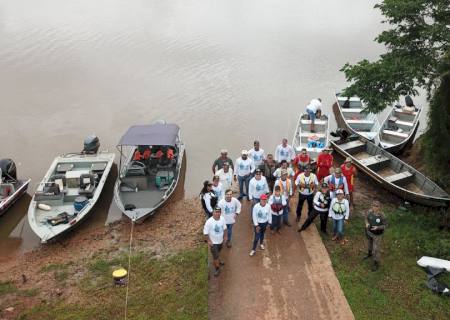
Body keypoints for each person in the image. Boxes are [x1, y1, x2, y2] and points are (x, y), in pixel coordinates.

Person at [363, 201, 386, 271]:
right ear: (371, 206)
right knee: (369, 243)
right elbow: (366, 219)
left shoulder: (382, 215)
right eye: (373, 206)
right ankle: (369, 254)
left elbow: (385, 225)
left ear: (379, 207)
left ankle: (376, 262)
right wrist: (366, 223)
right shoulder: (369, 212)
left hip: (377, 234)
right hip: (370, 232)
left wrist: (378, 227)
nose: (375, 208)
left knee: (376, 248)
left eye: (376, 206)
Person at [203, 207, 227, 277]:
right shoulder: (209, 222)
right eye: (216, 211)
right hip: (213, 243)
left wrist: (225, 236)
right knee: (215, 256)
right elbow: (205, 233)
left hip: (220, 241)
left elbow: (225, 228)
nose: (217, 213)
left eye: (219, 211)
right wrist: (209, 241)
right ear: (213, 212)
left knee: (218, 252)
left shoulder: (222, 219)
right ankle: (217, 268)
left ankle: (219, 261)